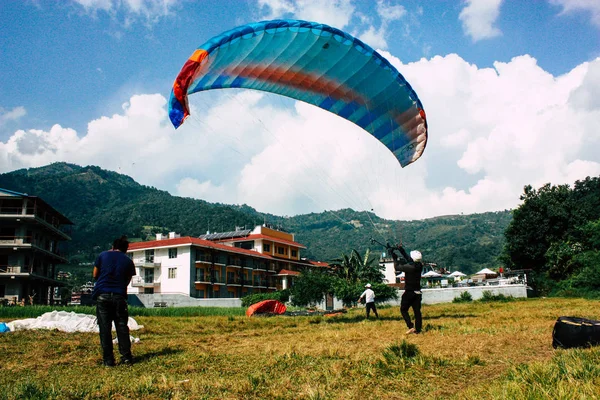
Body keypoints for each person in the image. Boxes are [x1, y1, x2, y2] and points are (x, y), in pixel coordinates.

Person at [92, 236, 136, 366]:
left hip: (103, 295)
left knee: (105, 329)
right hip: (119, 296)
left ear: (113, 247)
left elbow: (95, 274)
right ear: (126, 250)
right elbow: (127, 281)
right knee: (122, 326)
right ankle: (126, 358)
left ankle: (108, 360)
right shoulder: (128, 261)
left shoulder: (102, 255)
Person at [389, 245, 423, 334]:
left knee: (403, 309)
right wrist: (401, 250)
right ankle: (418, 330)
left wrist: (394, 258)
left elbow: (397, 267)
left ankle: (410, 326)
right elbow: (409, 259)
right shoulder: (419, 265)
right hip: (418, 293)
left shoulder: (410, 267)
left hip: (409, 292)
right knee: (417, 312)